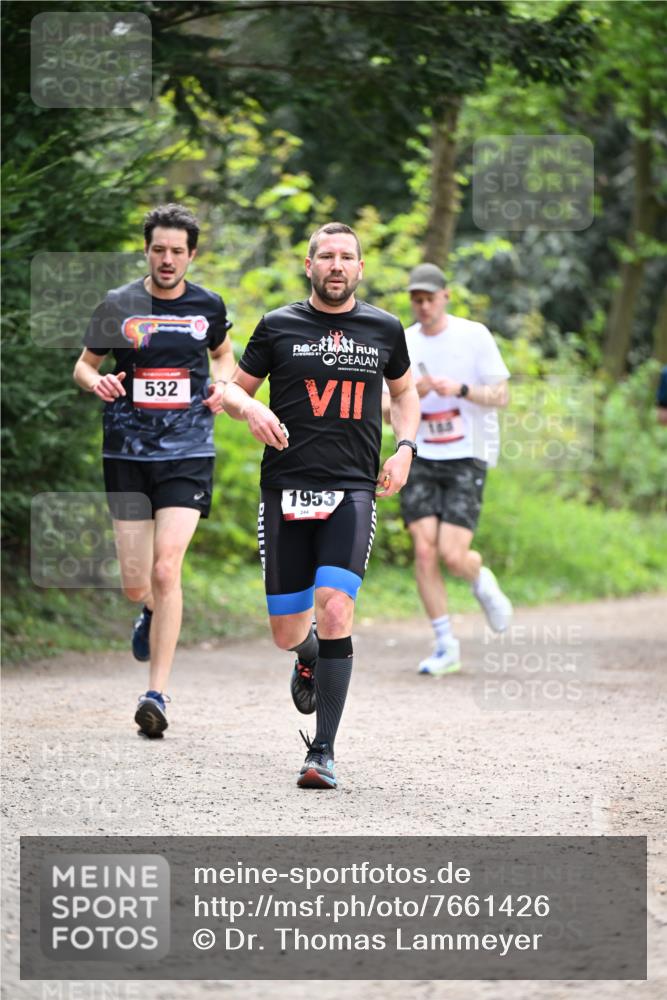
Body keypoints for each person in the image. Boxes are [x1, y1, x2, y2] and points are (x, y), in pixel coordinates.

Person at [223, 222, 420, 790]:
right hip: (284, 487)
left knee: (335, 608)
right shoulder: (278, 325)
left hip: (353, 489)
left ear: (360, 269)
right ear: (309, 265)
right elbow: (233, 388)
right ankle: (306, 653)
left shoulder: (383, 328)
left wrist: (405, 449)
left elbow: (405, 394)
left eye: (346, 257)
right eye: (326, 256)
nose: (336, 265)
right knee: (288, 630)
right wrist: (250, 410)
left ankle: (323, 752)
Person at [73, 204, 234, 737]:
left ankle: (156, 693)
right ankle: (145, 612)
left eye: (177, 251)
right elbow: (85, 364)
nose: (167, 259)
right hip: (126, 451)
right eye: (158, 249)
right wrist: (95, 382)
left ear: (192, 254)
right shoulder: (118, 304)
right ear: (147, 250)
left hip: (188, 451)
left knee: (167, 570)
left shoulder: (208, 305)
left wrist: (223, 386)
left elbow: (225, 357)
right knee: (136, 581)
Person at [385, 262, 512, 676]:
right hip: (418, 453)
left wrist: (458, 389)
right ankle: (445, 645)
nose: (422, 306)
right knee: (424, 550)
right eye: (415, 300)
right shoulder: (402, 341)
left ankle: (480, 581)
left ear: (445, 296)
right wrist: (411, 397)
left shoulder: (473, 336)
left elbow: (501, 395)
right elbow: (382, 408)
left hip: (466, 454)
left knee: (452, 555)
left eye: (429, 298)